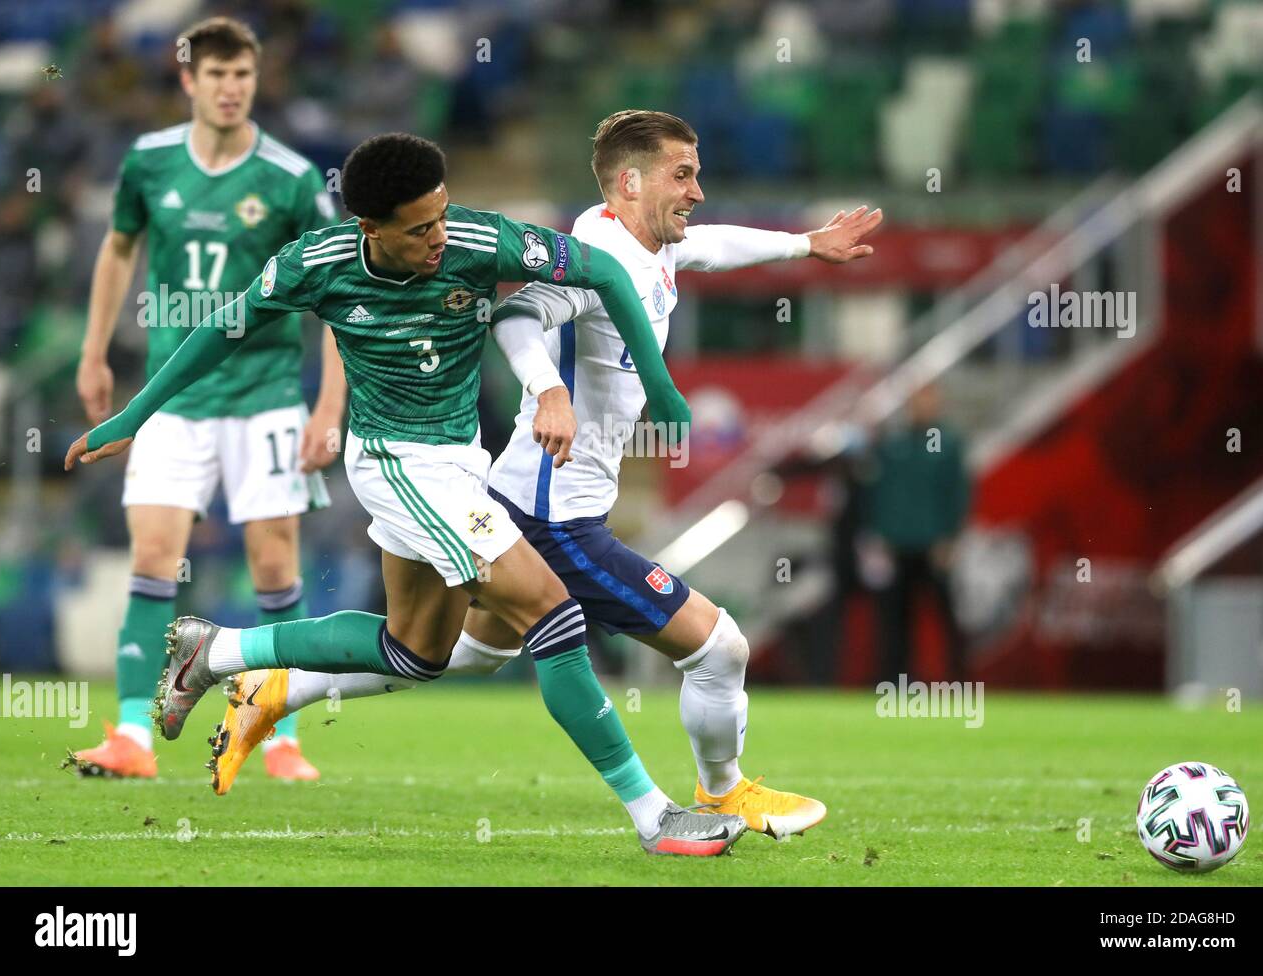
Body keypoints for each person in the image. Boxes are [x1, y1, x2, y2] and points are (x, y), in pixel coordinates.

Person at [65, 132, 748, 857]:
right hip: (394, 461)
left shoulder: (484, 240)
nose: (438, 237)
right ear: (371, 228)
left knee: (415, 651)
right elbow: (221, 329)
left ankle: (220, 649)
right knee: (551, 611)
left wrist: (663, 386)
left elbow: (606, 272)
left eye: (443, 215)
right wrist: (134, 415)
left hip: (459, 460)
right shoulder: (315, 264)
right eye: (420, 228)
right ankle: (655, 817)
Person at [213, 110, 884, 839]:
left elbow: (708, 247)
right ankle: (720, 796)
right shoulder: (599, 256)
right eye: (682, 175)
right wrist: (551, 393)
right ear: (631, 181)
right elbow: (516, 318)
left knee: (447, 654)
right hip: (552, 513)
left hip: (532, 495)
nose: (696, 192)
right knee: (719, 647)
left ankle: (272, 687)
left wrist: (804, 245)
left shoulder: (642, 241)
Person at [72, 17, 343, 782]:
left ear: (256, 82)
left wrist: (327, 407)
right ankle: (132, 735)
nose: (230, 89)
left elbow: (331, 295)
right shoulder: (150, 162)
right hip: (174, 400)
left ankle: (281, 736)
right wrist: (94, 352)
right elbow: (118, 248)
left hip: (264, 398)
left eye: (243, 77)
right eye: (216, 76)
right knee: (153, 557)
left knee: (273, 566)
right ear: (189, 81)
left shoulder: (289, 178)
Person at [864, 383, 970, 682]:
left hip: (933, 544)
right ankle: (895, 682)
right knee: (895, 621)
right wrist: (880, 535)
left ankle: (958, 679)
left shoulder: (947, 444)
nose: (921, 407)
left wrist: (950, 537)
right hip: (897, 545)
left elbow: (957, 493)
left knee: (947, 616)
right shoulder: (893, 443)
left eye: (927, 400)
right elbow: (879, 493)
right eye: (916, 401)